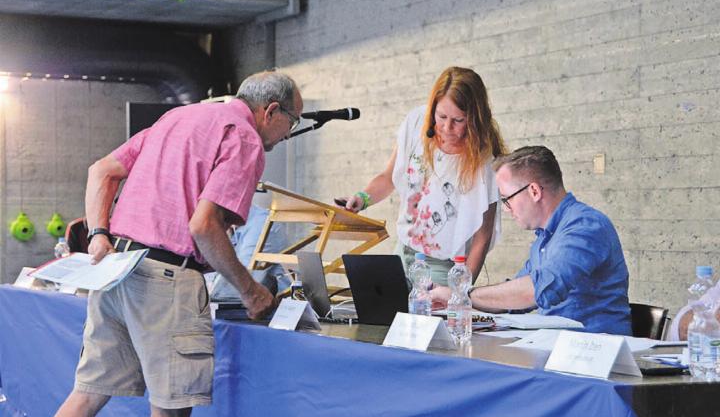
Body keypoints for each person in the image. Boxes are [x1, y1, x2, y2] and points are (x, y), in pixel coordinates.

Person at [55, 70, 303, 417]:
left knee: (87, 394)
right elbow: (204, 226)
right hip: (167, 280)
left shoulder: (177, 116)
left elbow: (102, 171)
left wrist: (98, 234)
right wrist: (251, 291)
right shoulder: (244, 137)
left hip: (117, 271)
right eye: (292, 122)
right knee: (171, 408)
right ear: (271, 111)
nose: (288, 133)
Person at [430, 146, 632, 335]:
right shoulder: (545, 238)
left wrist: (463, 295)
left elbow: (536, 290)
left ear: (534, 191)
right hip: (558, 350)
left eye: (506, 200)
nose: (507, 210)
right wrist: (455, 302)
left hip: (596, 354)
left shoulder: (585, 226)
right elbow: (513, 301)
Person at [340, 66, 507, 286]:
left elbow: (482, 236)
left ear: (474, 118)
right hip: (403, 251)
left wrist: (461, 290)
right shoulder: (416, 122)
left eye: (458, 120)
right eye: (442, 116)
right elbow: (389, 177)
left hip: (443, 265)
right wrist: (363, 198)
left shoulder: (483, 159)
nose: (447, 127)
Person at [206, 201, 291, 300]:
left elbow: (236, 288)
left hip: (276, 309)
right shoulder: (231, 225)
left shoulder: (260, 224)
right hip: (241, 306)